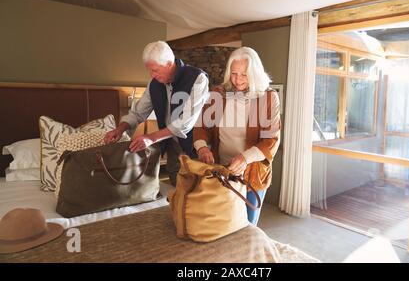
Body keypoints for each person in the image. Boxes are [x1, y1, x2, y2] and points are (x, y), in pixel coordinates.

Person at [193, 47, 281, 225]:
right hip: (221, 170)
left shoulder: (268, 97)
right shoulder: (219, 94)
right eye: (234, 74)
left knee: (247, 226)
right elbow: (202, 126)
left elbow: (271, 140)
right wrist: (202, 147)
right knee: (221, 223)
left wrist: (245, 158)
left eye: (244, 74)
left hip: (253, 173)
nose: (238, 80)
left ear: (254, 73)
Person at [104, 41, 209, 186]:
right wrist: (120, 128)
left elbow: (185, 123)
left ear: (168, 63)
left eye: (155, 70)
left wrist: (151, 138)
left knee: (198, 193)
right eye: (149, 70)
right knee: (175, 190)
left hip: (196, 146)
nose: (151, 75)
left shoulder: (198, 79)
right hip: (172, 145)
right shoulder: (154, 84)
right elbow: (138, 112)